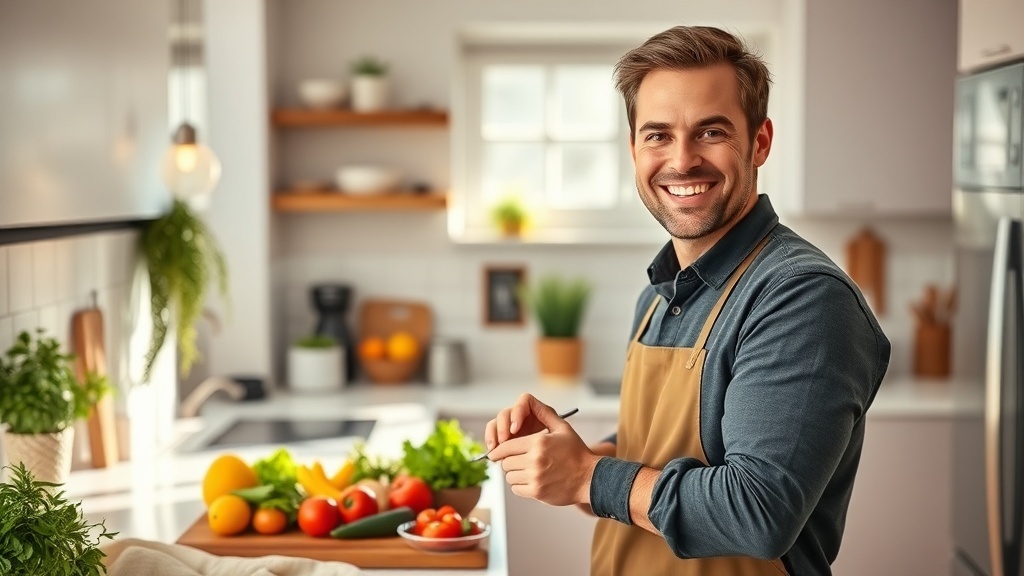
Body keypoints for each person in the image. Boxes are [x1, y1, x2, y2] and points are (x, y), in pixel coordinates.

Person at [482, 25, 890, 576]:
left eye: (711, 132)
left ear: (760, 142)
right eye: (657, 135)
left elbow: (758, 512)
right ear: (634, 150)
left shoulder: (802, 297)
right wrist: (568, 458)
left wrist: (586, 477)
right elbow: (660, 458)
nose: (682, 160)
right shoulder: (659, 292)